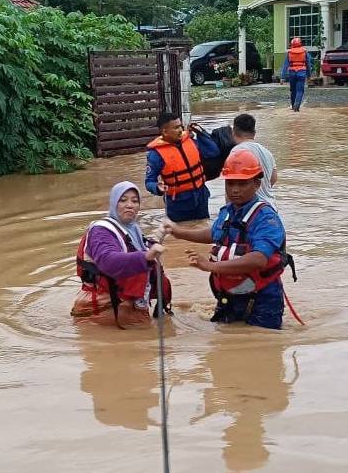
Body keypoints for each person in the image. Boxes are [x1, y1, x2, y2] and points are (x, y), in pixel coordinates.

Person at [160, 149, 294, 330]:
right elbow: (214, 233)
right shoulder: (228, 211)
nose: (235, 190)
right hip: (229, 294)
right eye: (230, 183)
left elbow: (259, 259)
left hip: (262, 298)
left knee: (262, 349)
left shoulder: (266, 218)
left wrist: (210, 266)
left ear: (256, 183)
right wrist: (178, 232)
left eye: (242, 183)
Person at [73, 181, 168, 328]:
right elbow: (108, 261)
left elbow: (140, 246)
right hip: (105, 309)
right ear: (113, 203)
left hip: (123, 304)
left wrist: (161, 232)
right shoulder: (100, 232)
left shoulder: (131, 229)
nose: (130, 205)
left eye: (135, 201)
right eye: (123, 200)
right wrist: (146, 257)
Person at [145, 112, 220, 222]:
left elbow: (213, 152)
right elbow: (149, 182)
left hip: (200, 197)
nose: (180, 130)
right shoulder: (156, 155)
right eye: (176, 127)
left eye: (181, 126)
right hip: (178, 204)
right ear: (165, 131)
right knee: (178, 235)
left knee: (203, 229)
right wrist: (157, 187)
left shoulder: (190, 141)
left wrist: (200, 133)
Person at [230, 113, 278, 211]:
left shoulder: (236, 152)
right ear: (254, 133)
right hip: (269, 208)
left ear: (234, 132)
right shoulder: (266, 152)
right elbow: (273, 178)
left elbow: (232, 187)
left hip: (249, 211)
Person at [280, 37, 312, 112]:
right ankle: (297, 105)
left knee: (293, 90)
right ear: (300, 43)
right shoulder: (304, 52)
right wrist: (309, 76)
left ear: (292, 44)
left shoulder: (290, 52)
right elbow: (308, 65)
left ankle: (293, 105)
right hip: (302, 73)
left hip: (292, 73)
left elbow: (285, 65)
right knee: (300, 91)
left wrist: (282, 77)